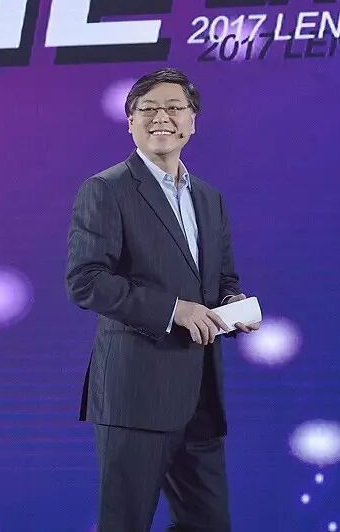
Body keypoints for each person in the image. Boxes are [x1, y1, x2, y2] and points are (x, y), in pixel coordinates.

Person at [67, 67, 260, 532]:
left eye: (174, 108)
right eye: (148, 109)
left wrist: (232, 304)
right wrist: (175, 310)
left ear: (193, 121)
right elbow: (86, 281)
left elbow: (222, 278)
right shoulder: (105, 189)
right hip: (135, 395)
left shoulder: (209, 198)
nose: (161, 118)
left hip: (200, 397)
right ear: (129, 122)